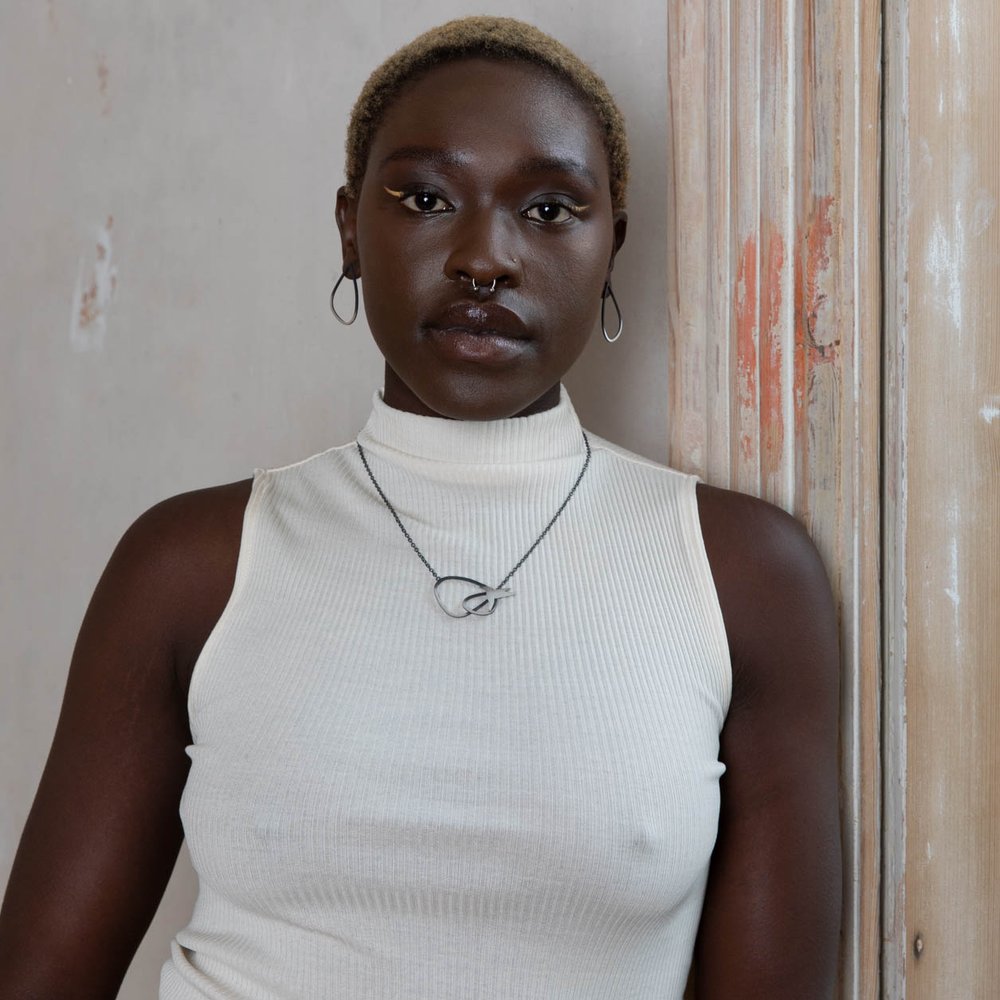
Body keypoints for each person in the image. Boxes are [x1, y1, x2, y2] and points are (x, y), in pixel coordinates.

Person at [0, 16, 841, 999]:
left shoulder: (740, 573)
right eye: (427, 197)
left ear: (614, 242)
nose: (484, 257)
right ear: (351, 227)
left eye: (550, 208)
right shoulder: (193, 564)